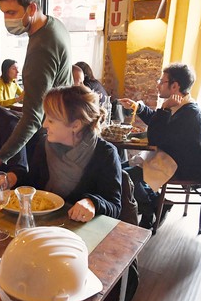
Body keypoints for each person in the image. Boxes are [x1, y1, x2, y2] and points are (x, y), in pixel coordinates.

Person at [0, 0, 73, 175]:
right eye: (3, 13)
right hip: (66, 128)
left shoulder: (41, 48)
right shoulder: (54, 25)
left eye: (11, 12)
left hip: (55, 136)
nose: (7, 19)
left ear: (32, 7)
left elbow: (32, 118)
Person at [11, 85, 122, 221]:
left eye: (51, 120)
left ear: (76, 125)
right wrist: (14, 177)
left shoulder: (105, 154)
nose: (44, 124)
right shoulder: (43, 144)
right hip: (43, 225)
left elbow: (115, 207)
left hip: (80, 233)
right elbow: (33, 185)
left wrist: (92, 203)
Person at [119, 62, 201, 228]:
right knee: (116, 168)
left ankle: (152, 206)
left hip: (177, 165)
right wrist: (138, 107)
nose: (158, 85)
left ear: (175, 86)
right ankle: (157, 203)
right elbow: (158, 125)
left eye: (161, 81)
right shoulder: (181, 106)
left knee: (122, 176)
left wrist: (164, 109)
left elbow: (155, 136)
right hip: (163, 157)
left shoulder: (189, 113)